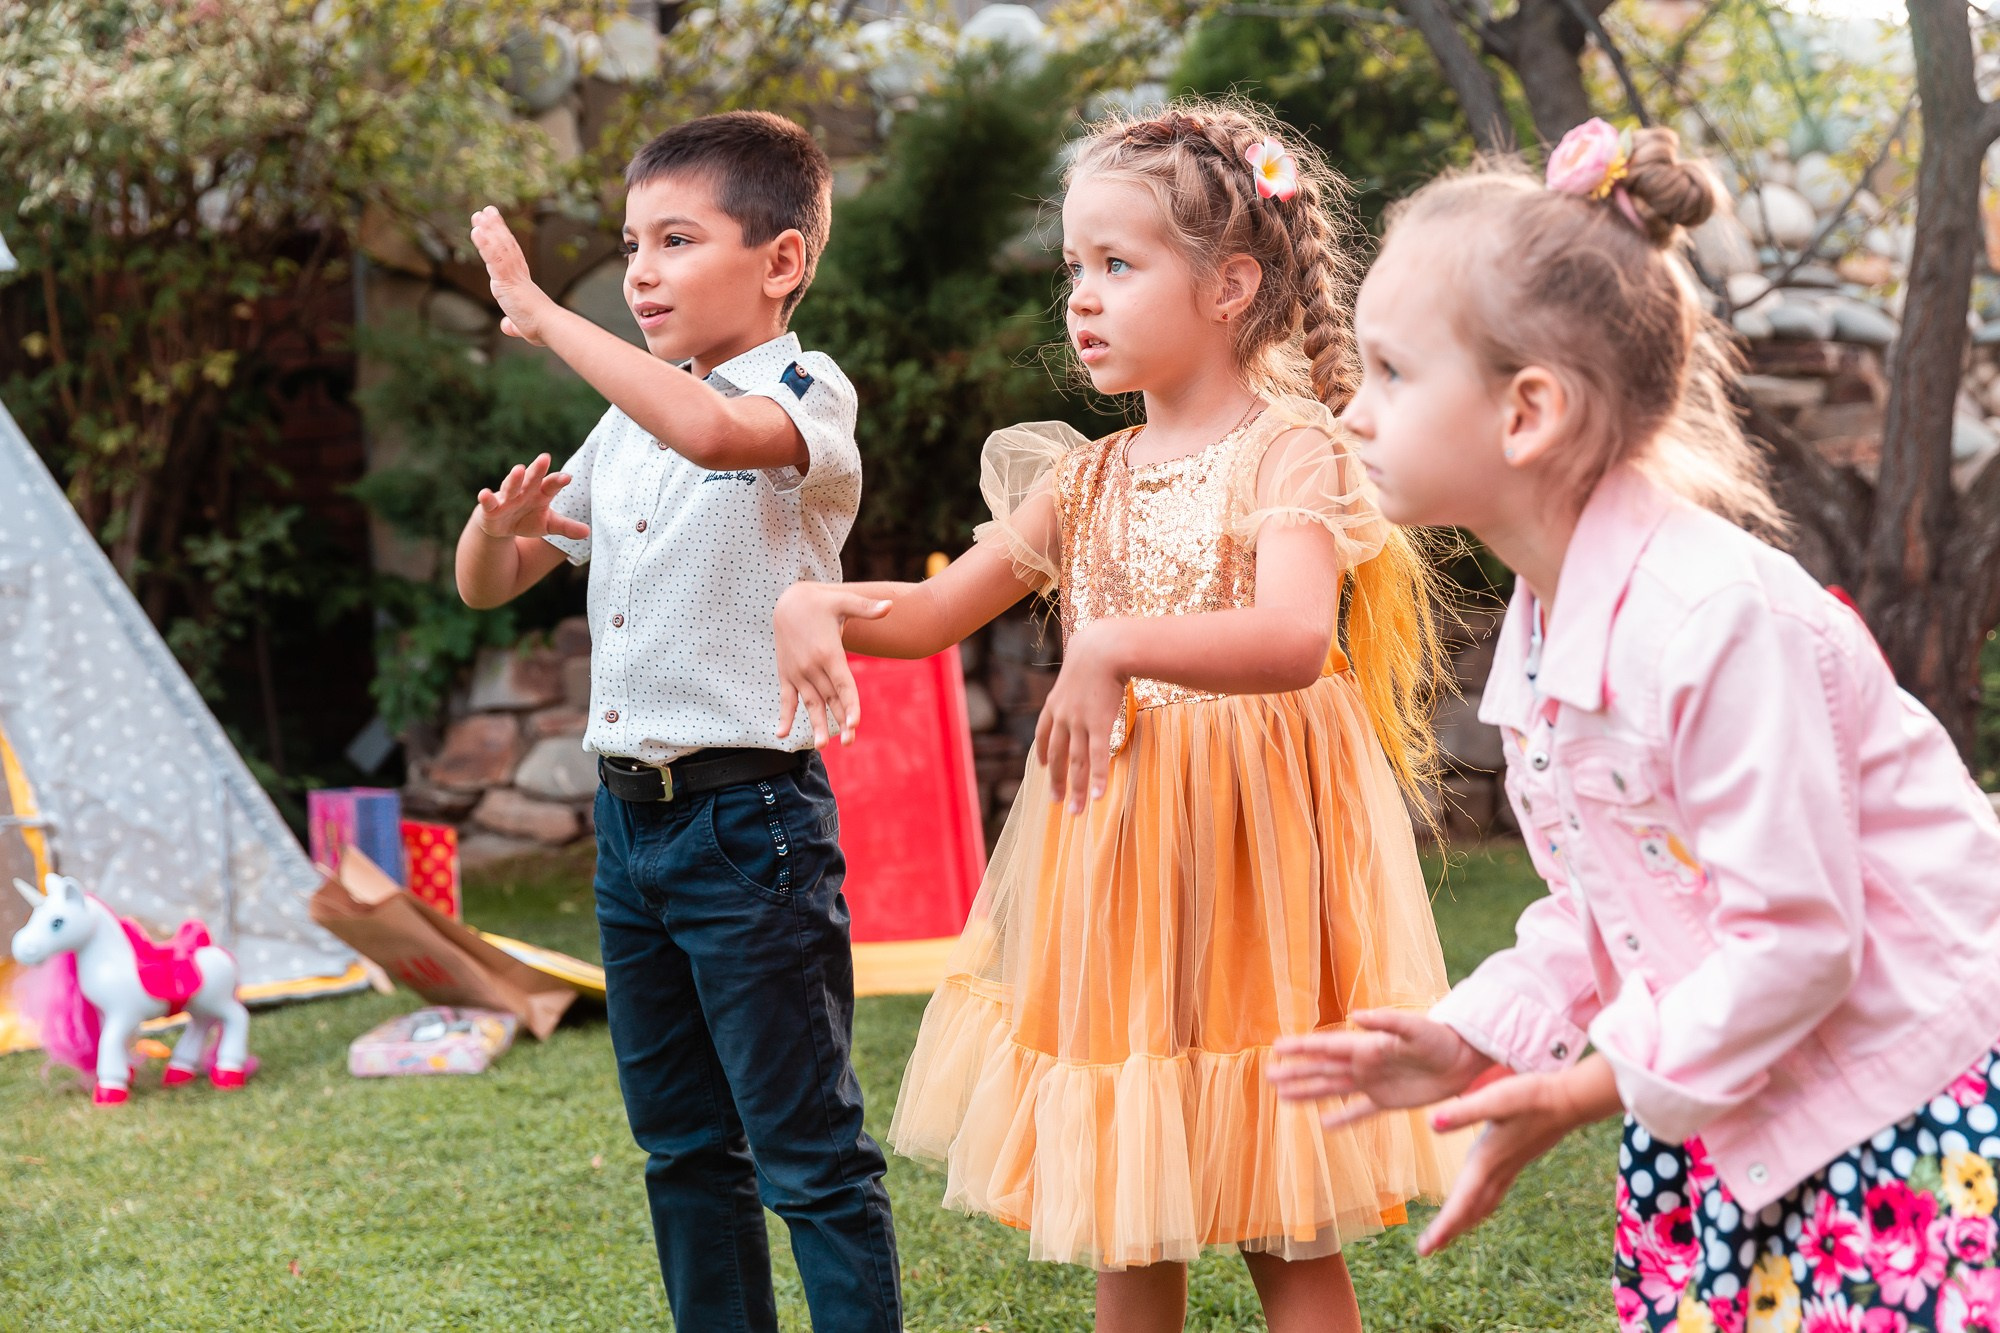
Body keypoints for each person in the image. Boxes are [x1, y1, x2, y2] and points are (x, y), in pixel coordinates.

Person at [1270, 120, 2000, 1330]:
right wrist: (1474, 1037)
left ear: (1527, 413)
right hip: (1744, 1089)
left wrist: (1584, 1088)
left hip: (1902, 1096)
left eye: (1390, 373)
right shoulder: (1551, 626)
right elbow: (1605, 906)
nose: (1352, 412)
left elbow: (1797, 941)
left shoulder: (1710, 619)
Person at [773, 99, 1462, 1333]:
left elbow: (1296, 640)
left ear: (1229, 284)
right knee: (1125, 1194)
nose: (1079, 299)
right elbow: (933, 615)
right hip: (1120, 869)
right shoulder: (1081, 475)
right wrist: (815, 604)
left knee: (1280, 1206)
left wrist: (1116, 643)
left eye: (1116, 265)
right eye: (1072, 270)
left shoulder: (1289, 450)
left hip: (1257, 870)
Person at [454, 110, 900, 1333]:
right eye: (628, 243)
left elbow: (711, 432)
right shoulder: (625, 423)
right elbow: (487, 586)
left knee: (807, 1154)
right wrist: (498, 529)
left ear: (781, 260)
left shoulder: (804, 391)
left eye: (674, 239)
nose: (639, 269)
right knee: (683, 1151)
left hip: (748, 825)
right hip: (629, 834)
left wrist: (543, 315)